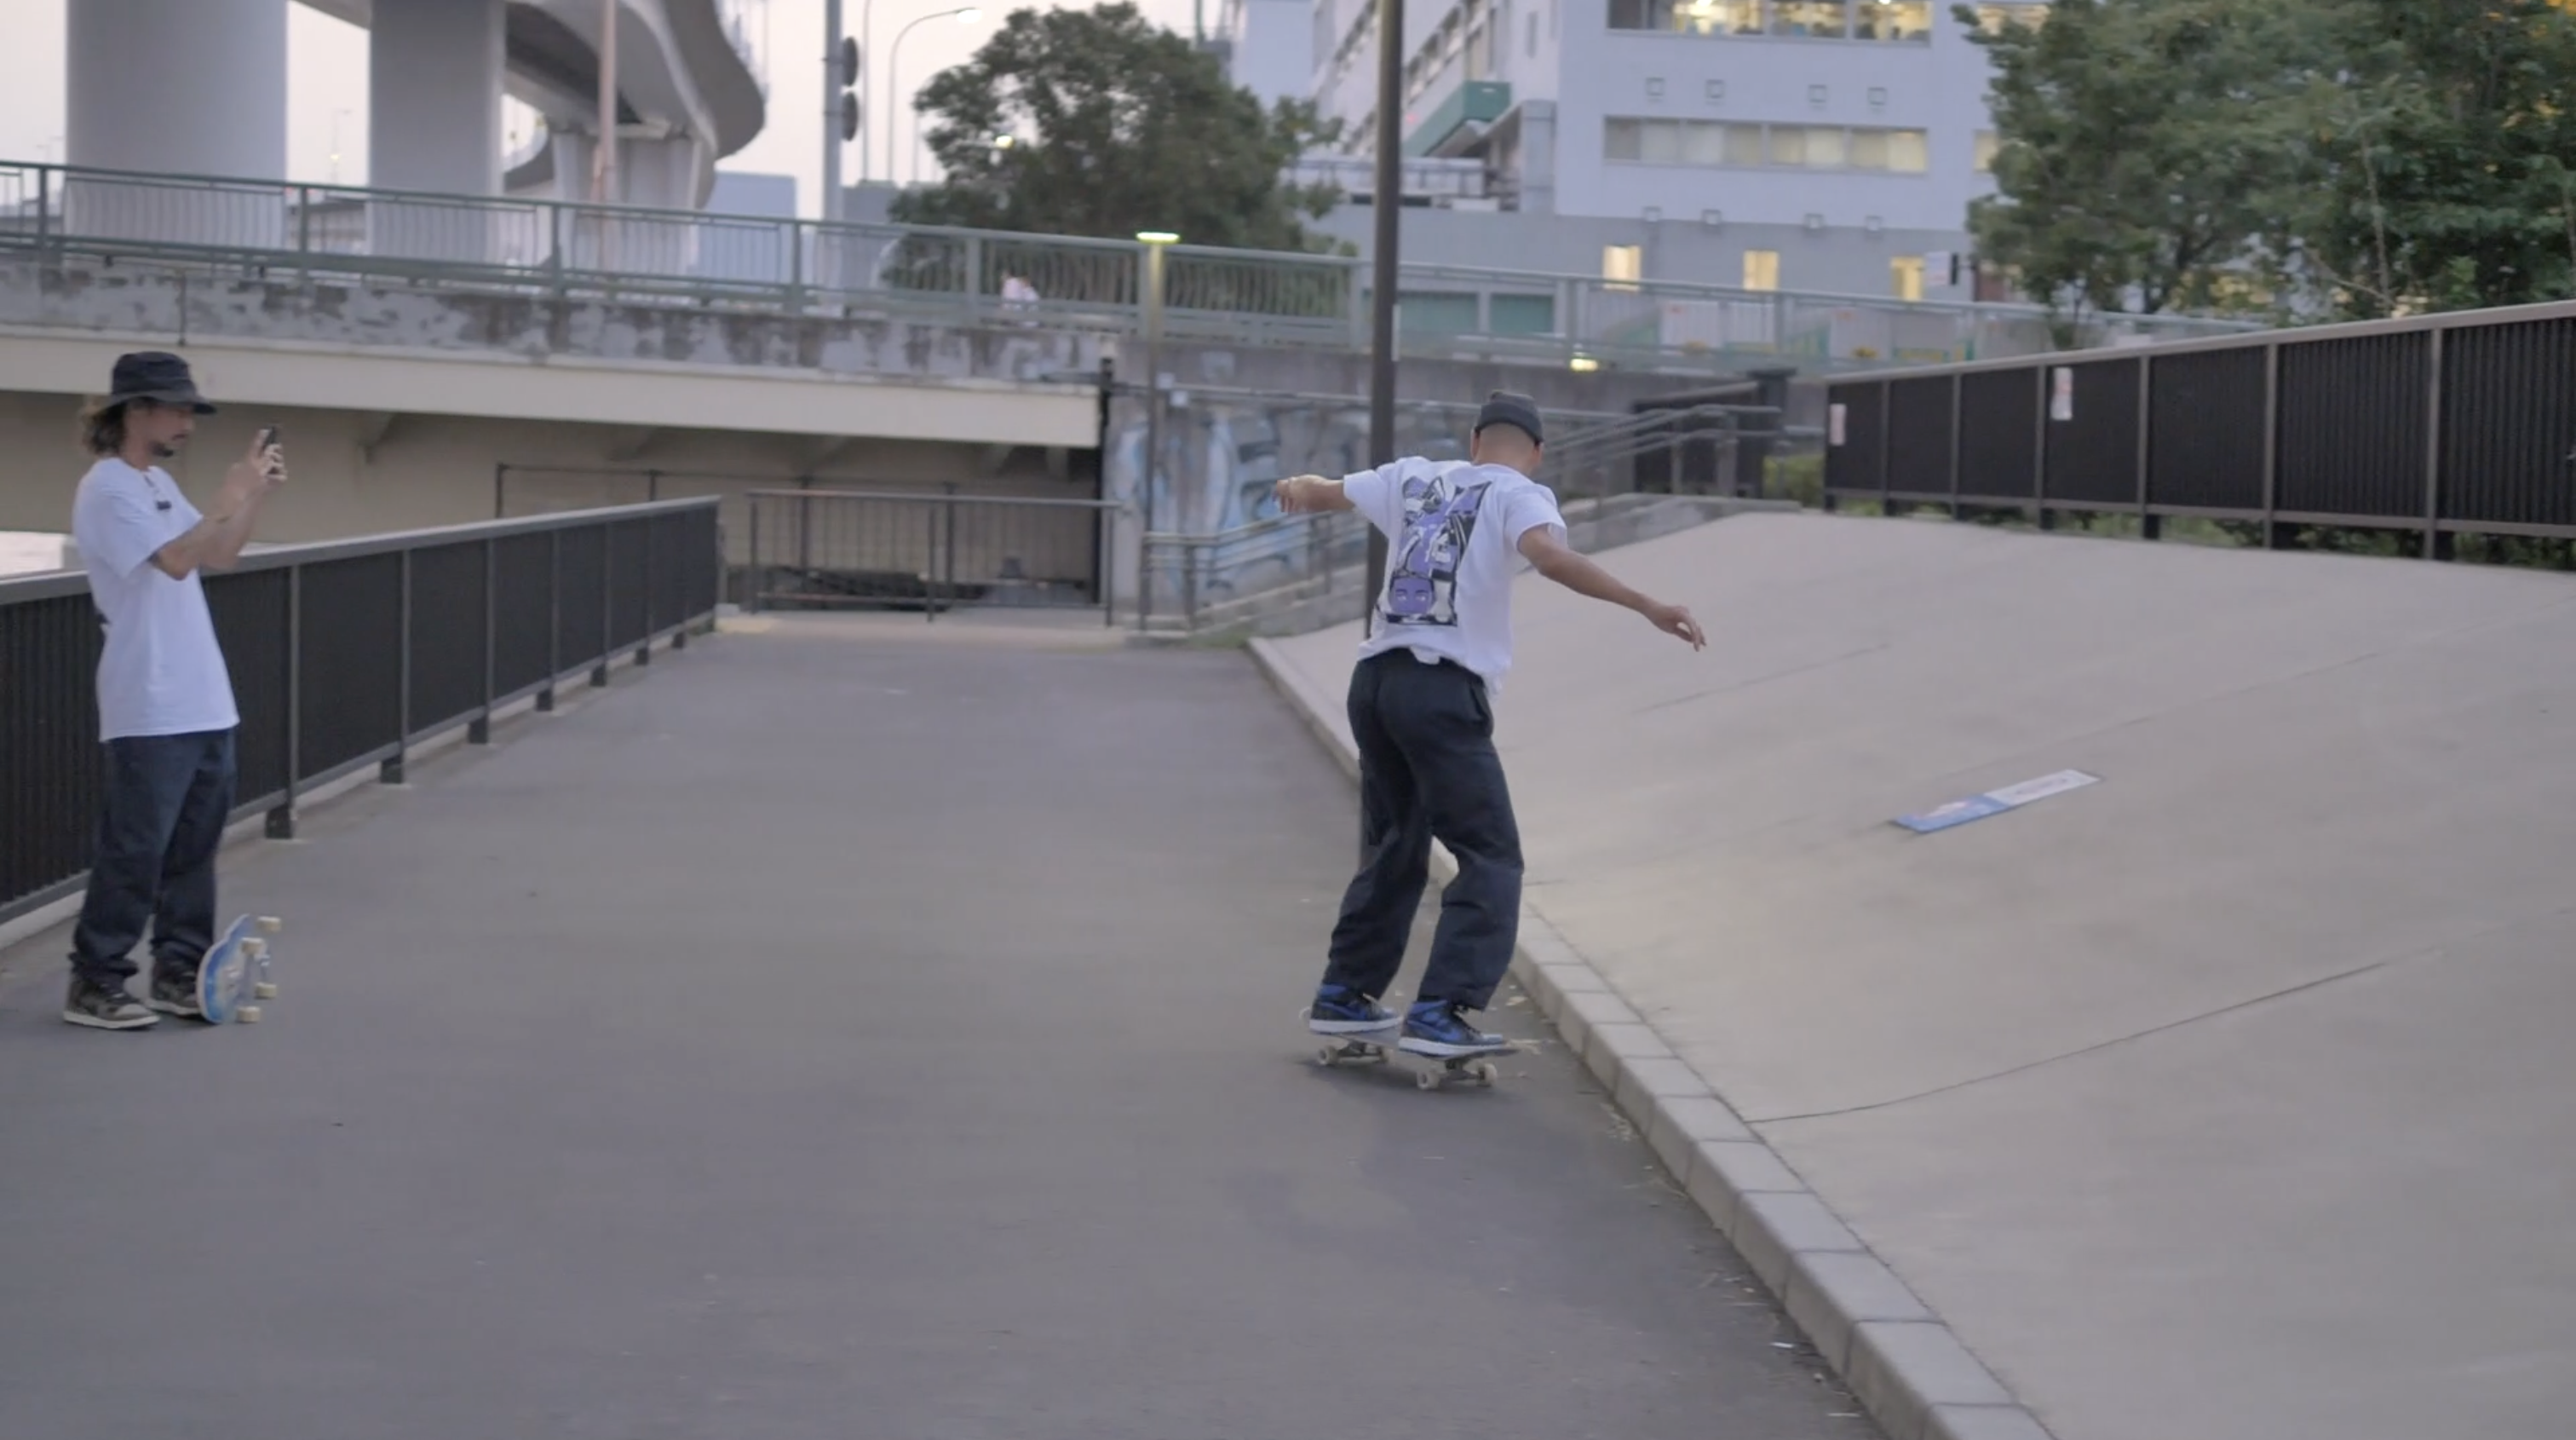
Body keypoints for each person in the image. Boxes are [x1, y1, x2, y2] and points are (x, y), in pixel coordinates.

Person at [1273, 390, 1704, 1059]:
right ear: (1536, 454)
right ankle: (1441, 1010)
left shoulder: (1410, 475)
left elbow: (1323, 493)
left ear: (1475, 440)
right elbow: (1552, 558)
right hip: (1442, 690)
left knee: (1397, 844)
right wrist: (1645, 603)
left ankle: (1345, 995)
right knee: (1491, 854)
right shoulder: (1520, 494)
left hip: (1375, 684)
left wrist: (1297, 486)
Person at [61, 351, 285, 1029]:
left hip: (203, 696)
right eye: (177, 408)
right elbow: (177, 560)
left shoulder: (156, 482)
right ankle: (95, 982)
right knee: (135, 848)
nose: (188, 421)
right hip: (148, 700)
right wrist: (225, 496)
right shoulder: (109, 490)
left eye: (190, 409)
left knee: (193, 850)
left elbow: (218, 554)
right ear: (135, 411)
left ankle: (179, 973)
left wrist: (252, 496)